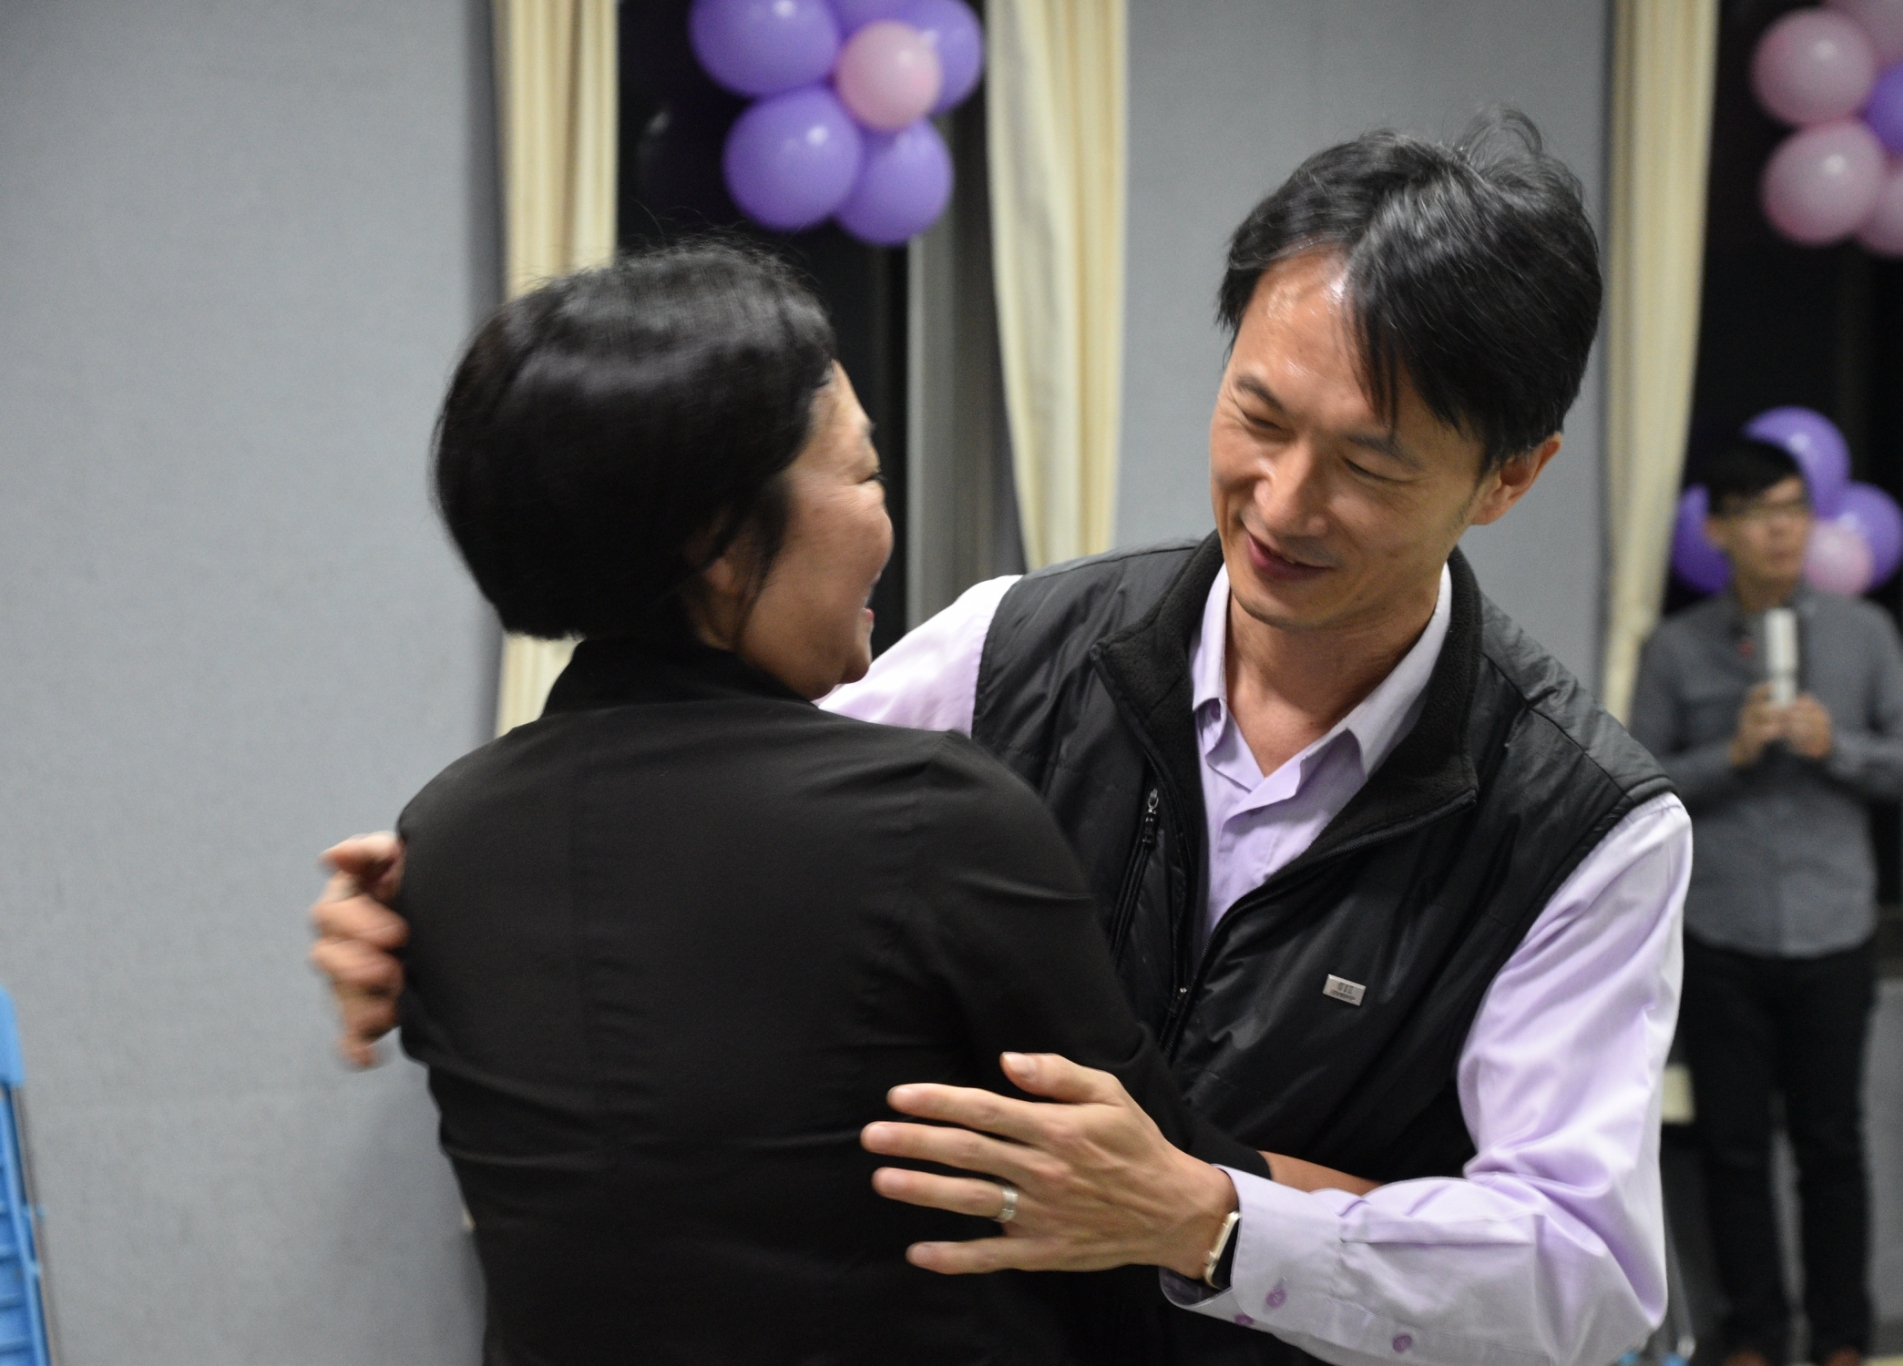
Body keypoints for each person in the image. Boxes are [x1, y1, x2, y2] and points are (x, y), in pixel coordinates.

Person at [315, 114, 1693, 1366]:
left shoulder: (1580, 824)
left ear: (1509, 476)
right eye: (1257, 416)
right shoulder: (1014, 649)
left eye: (1370, 464)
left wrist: (1209, 1218)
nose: (1281, 501)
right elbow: (708, 809)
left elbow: (1583, 1273)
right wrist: (419, 892)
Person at [378, 241, 1361, 1365]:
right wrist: (1443, 1233)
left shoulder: (442, 840)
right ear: (715, 542)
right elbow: (1149, 1187)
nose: (883, 523)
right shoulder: (931, 821)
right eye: (862, 474)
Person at [1631, 438, 1903, 1366]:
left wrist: (1838, 747)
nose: (1783, 531)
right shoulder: (1677, 647)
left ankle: (1842, 1338)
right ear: (1720, 529)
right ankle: (1754, 1336)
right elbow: (1639, 785)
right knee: (1732, 1152)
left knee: (1832, 1147)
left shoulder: (1864, 633)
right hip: (1722, 934)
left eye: (1796, 510)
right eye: (1761, 513)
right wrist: (1727, 756)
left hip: (1835, 930)